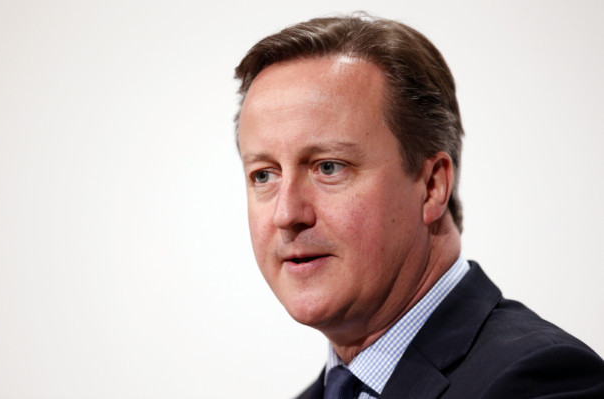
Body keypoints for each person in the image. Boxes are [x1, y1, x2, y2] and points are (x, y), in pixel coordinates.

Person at [233, 13, 604, 399]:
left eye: (329, 167)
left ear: (431, 186)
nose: (287, 214)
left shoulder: (541, 381)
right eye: (264, 175)